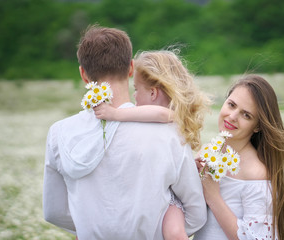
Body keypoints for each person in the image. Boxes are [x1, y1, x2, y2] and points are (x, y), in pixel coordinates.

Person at [43, 25, 207, 240]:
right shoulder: (168, 133)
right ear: (131, 68)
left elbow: (53, 212)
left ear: (83, 74)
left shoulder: (58, 133)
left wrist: (93, 226)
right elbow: (195, 212)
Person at [93, 49, 212, 239]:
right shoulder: (168, 124)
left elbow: (159, 114)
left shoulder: (169, 118)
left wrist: (115, 114)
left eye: (136, 89)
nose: (134, 97)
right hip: (162, 198)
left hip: (172, 200)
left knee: (175, 233)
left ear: (153, 92)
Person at [193, 75, 284, 240]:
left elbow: (257, 237)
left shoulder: (257, 173)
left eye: (246, 115)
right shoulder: (206, 153)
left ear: (258, 126)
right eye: (231, 105)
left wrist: (213, 197)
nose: (232, 116)